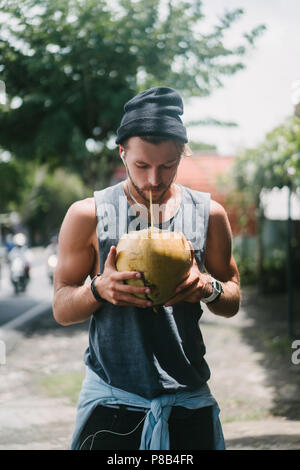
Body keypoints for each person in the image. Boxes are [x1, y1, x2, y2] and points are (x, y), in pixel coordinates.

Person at [53, 86, 240, 450]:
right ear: (122, 153)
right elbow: (61, 308)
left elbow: (232, 297)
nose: (154, 179)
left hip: (187, 399)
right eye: (142, 165)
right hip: (114, 401)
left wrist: (208, 288)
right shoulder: (87, 216)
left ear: (181, 156)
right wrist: (97, 290)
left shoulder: (209, 215)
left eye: (167, 165)